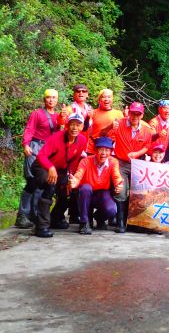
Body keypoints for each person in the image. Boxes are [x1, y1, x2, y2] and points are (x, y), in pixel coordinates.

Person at [32, 112, 87, 238]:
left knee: (68, 191)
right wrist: (50, 168)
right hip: (42, 165)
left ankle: (55, 219)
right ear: (67, 125)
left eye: (78, 125)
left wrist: (70, 177)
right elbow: (41, 156)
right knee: (50, 186)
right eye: (72, 124)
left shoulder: (82, 140)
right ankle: (41, 227)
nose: (74, 128)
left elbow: (74, 160)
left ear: (82, 127)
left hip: (61, 170)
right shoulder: (56, 137)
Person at [15, 89, 60, 229]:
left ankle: (36, 215)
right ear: (44, 99)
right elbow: (30, 129)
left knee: (43, 183)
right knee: (31, 181)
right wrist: (25, 144)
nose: (51, 100)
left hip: (48, 151)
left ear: (57, 100)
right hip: (35, 148)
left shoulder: (58, 116)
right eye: (48, 97)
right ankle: (23, 215)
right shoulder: (37, 113)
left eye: (53, 98)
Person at [68, 137, 123, 235]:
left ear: (110, 152)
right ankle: (84, 223)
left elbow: (116, 176)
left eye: (107, 150)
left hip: (102, 193)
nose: (104, 153)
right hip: (87, 193)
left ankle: (98, 217)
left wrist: (119, 184)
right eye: (101, 149)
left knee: (111, 210)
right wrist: (75, 181)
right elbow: (78, 174)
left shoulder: (113, 162)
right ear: (95, 150)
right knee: (85, 188)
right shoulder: (85, 161)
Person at [113, 101, 153, 233]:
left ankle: (134, 222)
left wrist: (136, 153)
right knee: (121, 191)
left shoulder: (146, 129)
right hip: (121, 162)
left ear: (142, 115)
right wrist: (110, 128)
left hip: (138, 164)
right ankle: (120, 222)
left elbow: (147, 146)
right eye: (133, 113)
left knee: (138, 193)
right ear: (129, 113)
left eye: (138, 114)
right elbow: (105, 136)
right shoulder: (119, 124)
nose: (135, 116)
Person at [87, 88, 124, 155]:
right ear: (99, 100)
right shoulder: (93, 113)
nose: (106, 99)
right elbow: (86, 131)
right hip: (93, 148)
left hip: (110, 149)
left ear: (112, 99)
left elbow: (123, 133)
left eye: (109, 97)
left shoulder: (119, 114)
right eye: (104, 97)